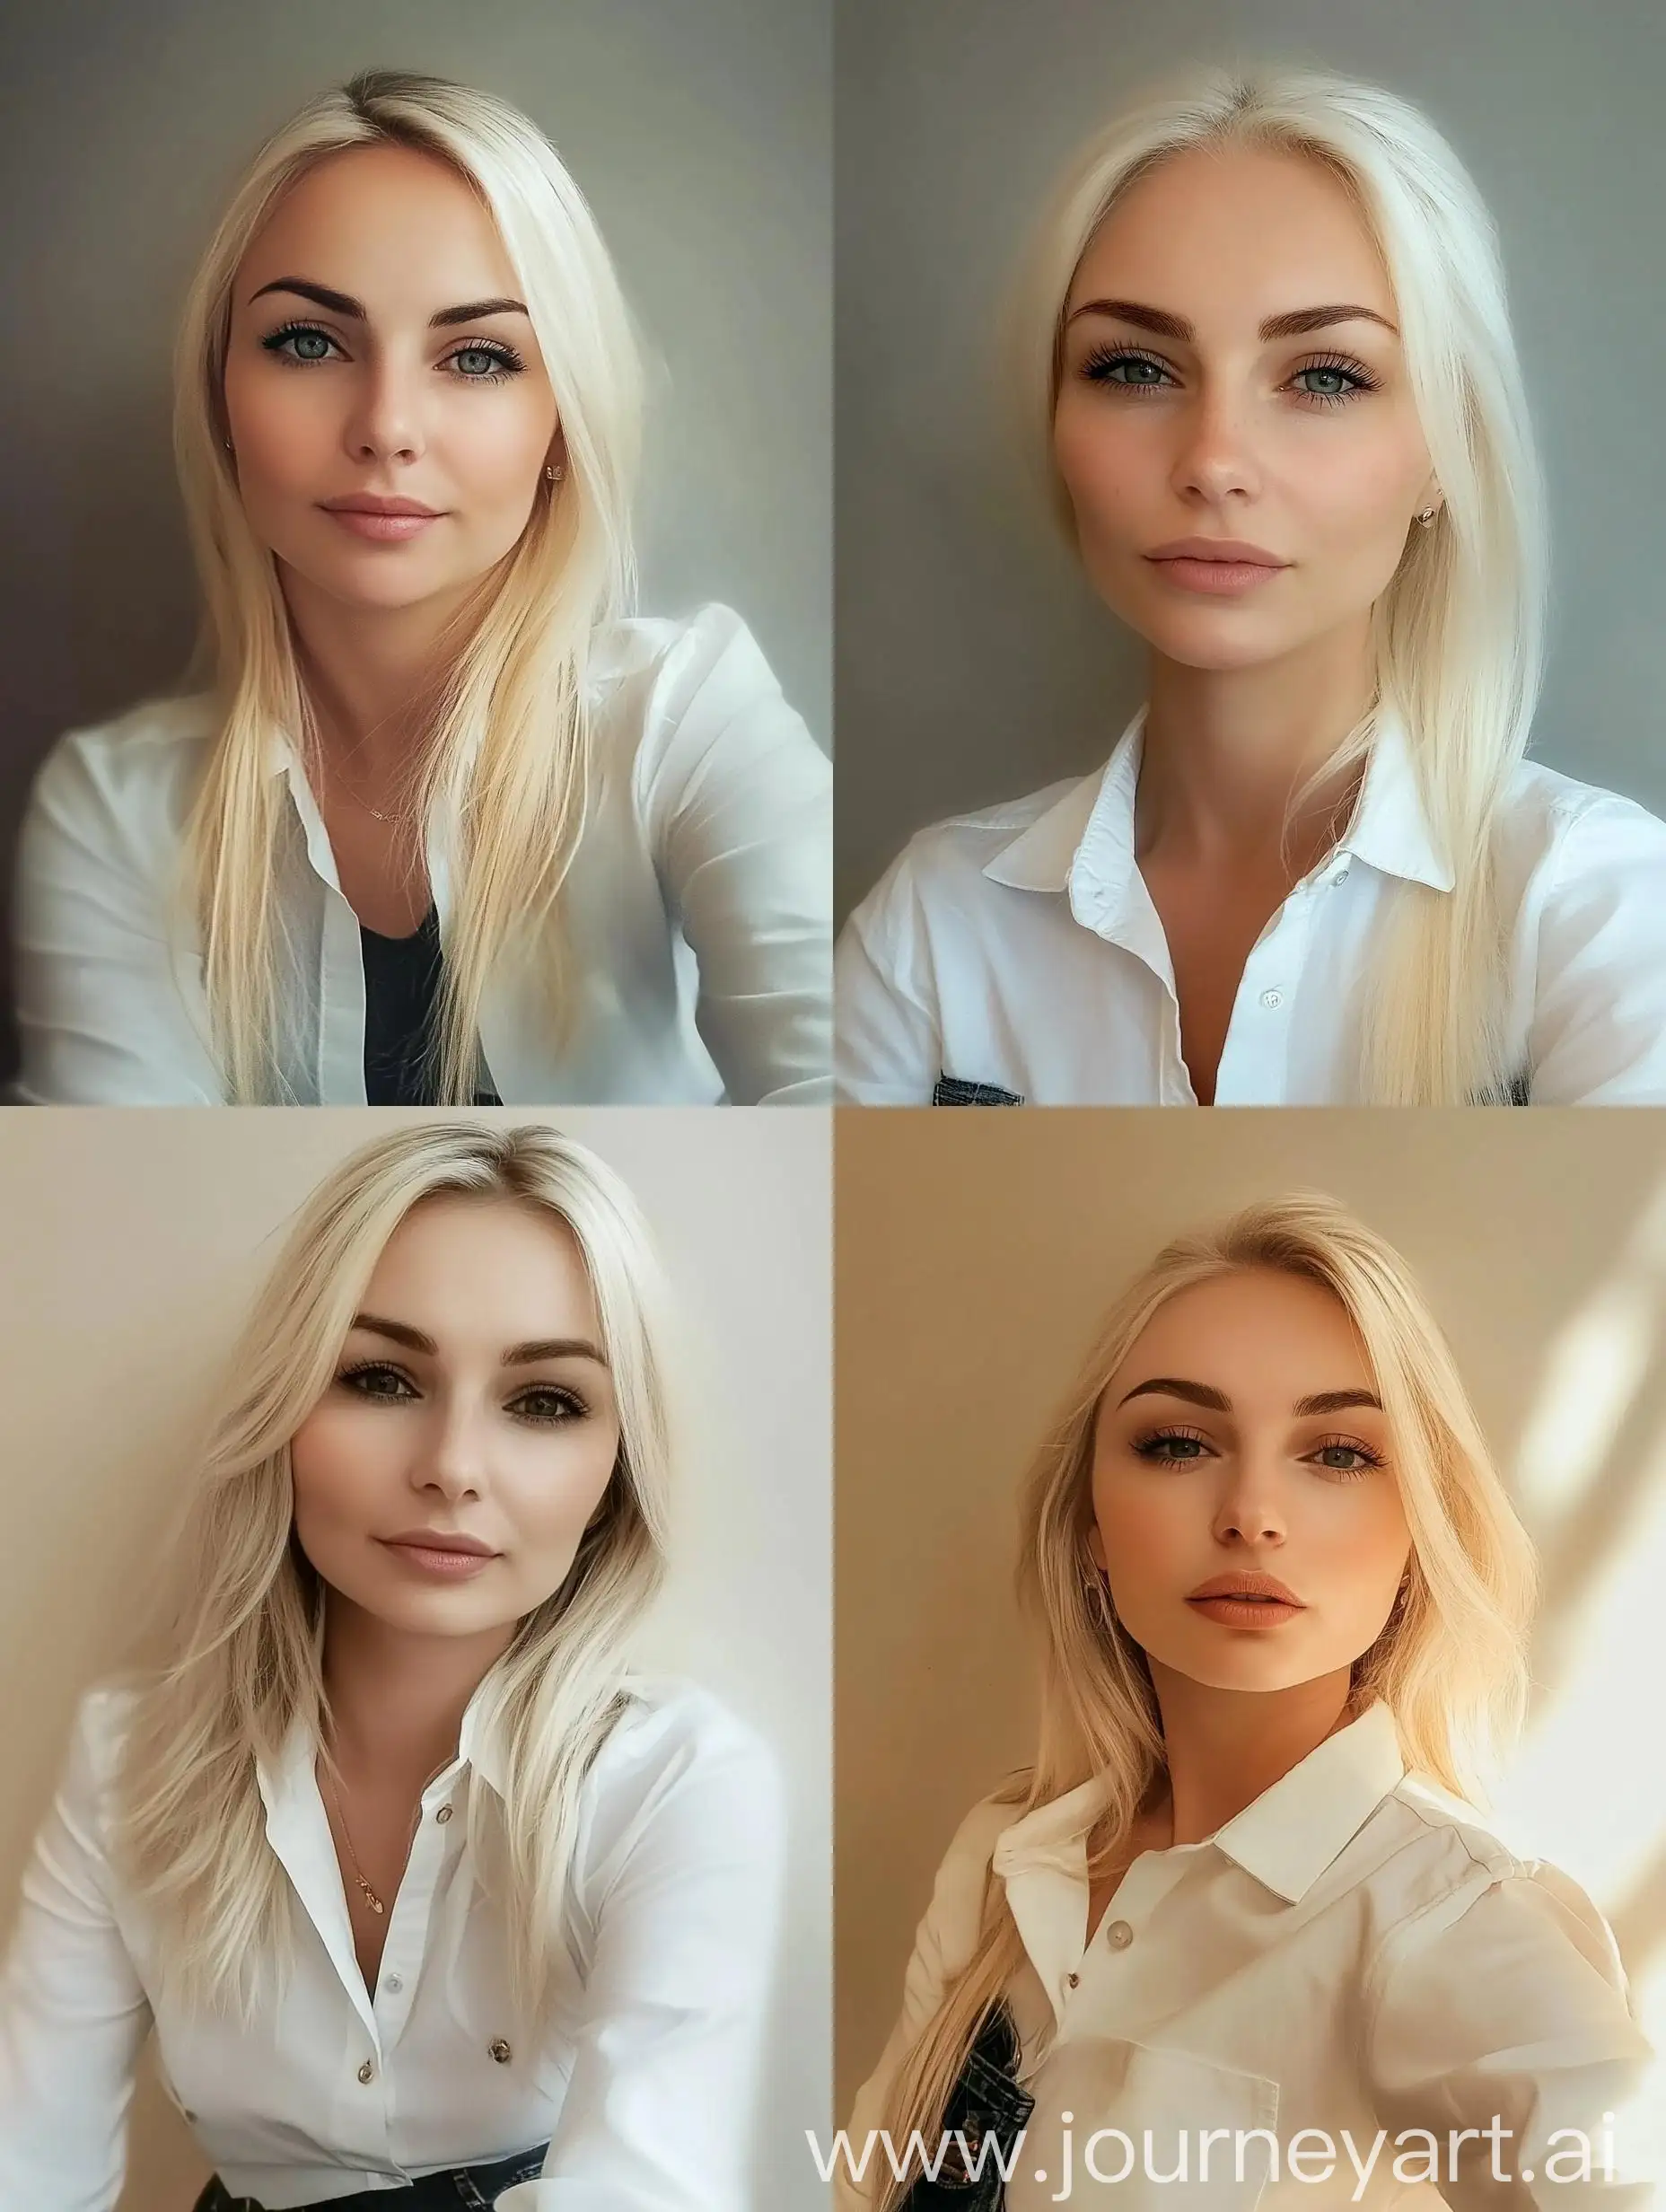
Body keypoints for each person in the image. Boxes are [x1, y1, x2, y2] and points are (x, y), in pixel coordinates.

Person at [836, 61, 1666, 1108]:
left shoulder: (1596, 907)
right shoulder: (936, 924)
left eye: (1324, 376)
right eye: (1133, 368)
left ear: (1442, 459)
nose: (1212, 459)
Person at [0, 1120, 786, 2208]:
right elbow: (26, 2161)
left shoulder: (675, 1782)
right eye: (380, 1379)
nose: (452, 1468)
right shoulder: (130, 1756)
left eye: (543, 1402)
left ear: (615, 1468)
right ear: (283, 1412)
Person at [13, 70, 830, 1107]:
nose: (387, 425)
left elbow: (833, 1092)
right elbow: (106, 1202)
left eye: (479, 356)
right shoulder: (115, 812)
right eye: (307, 342)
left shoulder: (686, 717)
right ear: (220, 392)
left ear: (561, 423)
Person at [837, 1195, 1656, 2209]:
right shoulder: (1003, 1857)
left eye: (1339, 1453)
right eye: (1178, 1444)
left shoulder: (1455, 1924)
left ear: (1420, 1532)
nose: (1250, 1517)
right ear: (1090, 1527)